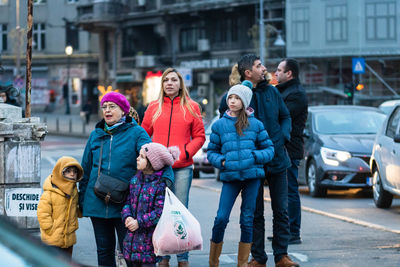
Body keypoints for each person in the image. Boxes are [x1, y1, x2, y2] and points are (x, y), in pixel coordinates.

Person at [219, 54, 299, 267]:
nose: (264, 68)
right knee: (255, 213)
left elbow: (285, 116)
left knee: (281, 209)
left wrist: (282, 137)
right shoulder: (235, 96)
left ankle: (282, 255)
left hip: (277, 159)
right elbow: (223, 120)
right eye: (258, 65)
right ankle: (258, 257)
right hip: (251, 163)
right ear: (248, 72)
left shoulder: (272, 91)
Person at [79, 91, 174, 267]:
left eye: (112, 106)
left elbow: (153, 156)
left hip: (127, 203)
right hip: (96, 201)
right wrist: (82, 200)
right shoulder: (96, 134)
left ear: (123, 110)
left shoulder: (137, 133)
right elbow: (85, 169)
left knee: (130, 252)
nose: (107, 110)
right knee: (104, 251)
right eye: (104, 107)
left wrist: (167, 180)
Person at [141, 68, 205, 267]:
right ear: (162, 85)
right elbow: (143, 134)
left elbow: (200, 137)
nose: (169, 83)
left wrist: (185, 153)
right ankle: (162, 257)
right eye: (166, 80)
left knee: (179, 211)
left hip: (182, 168)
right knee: (158, 211)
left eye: (173, 80)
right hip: (157, 169)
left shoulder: (192, 107)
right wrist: (149, 157)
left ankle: (183, 259)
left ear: (180, 84)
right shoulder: (153, 107)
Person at [207, 81, 275, 267]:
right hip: (230, 178)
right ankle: (213, 262)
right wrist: (221, 161)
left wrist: (254, 156)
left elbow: (270, 149)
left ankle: (242, 263)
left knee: (247, 220)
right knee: (221, 218)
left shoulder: (256, 124)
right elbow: (211, 151)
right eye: (230, 97)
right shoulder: (219, 125)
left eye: (237, 98)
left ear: (244, 101)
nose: (233, 101)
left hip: (252, 177)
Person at [122, 143, 180, 267]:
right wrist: (127, 217)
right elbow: (127, 202)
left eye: (142, 157)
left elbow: (159, 213)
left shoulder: (160, 185)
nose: (137, 158)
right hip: (131, 243)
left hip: (148, 244)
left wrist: (139, 222)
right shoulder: (134, 180)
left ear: (152, 163)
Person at [274, 58, 308, 245]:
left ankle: (293, 232)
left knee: (290, 191)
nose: (275, 73)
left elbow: (280, 116)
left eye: (279, 70)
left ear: (289, 73)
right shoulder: (284, 91)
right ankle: (284, 230)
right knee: (281, 192)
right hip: (282, 148)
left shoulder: (296, 94)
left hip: (290, 149)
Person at [37, 156, 83, 257]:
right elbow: (43, 213)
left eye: (75, 172)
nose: (72, 174)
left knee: (66, 262)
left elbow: (77, 211)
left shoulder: (74, 191)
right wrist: (49, 229)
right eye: (68, 171)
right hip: (52, 239)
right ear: (60, 172)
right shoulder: (49, 192)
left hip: (68, 238)